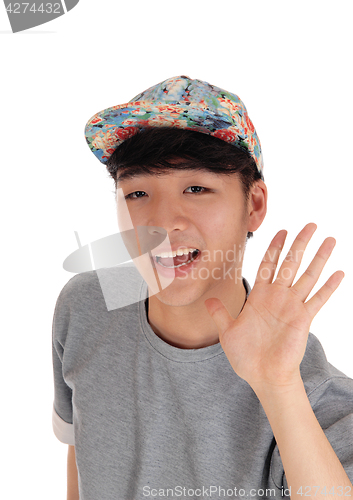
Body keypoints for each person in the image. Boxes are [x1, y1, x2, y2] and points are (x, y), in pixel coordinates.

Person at [52, 76, 353, 500]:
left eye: (196, 188)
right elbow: (79, 448)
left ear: (254, 205)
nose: (162, 220)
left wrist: (277, 386)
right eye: (137, 192)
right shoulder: (86, 304)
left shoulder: (307, 385)